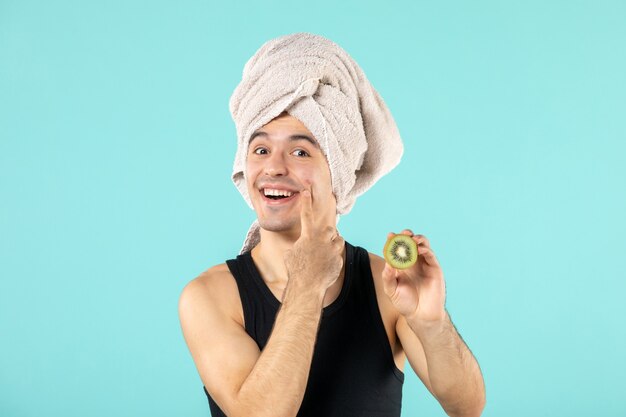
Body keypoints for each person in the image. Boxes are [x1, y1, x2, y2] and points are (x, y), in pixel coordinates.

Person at [178, 33, 486, 417]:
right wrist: (307, 282)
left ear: (336, 174)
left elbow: (467, 406)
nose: (273, 167)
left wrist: (431, 321)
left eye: (300, 151)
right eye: (260, 149)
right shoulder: (209, 297)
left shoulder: (385, 284)